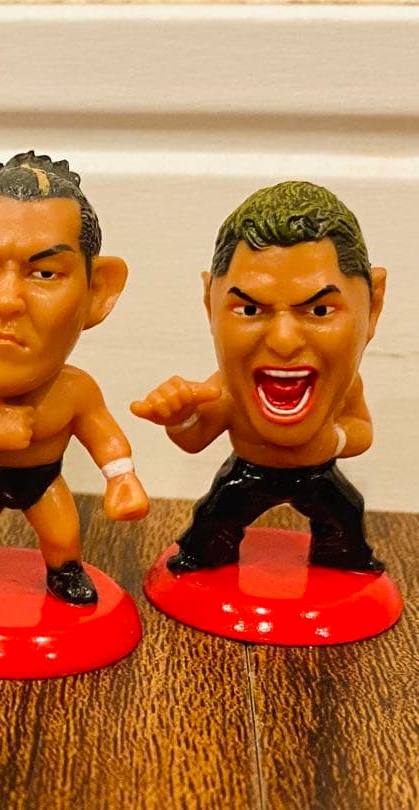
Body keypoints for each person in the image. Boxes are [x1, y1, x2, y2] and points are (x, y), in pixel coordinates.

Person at [0, 152, 148, 605]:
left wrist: (122, 478)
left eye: (44, 273)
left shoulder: (74, 391)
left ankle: (65, 571)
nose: (6, 300)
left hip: (44, 480)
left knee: (62, 534)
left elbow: (105, 437)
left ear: (97, 291)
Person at [132, 180, 387, 573]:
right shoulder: (227, 386)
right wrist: (180, 417)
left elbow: (361, 432)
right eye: (250, 310)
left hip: (317, 474)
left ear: (373, 307)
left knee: (345, 511)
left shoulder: (345, 386)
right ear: (210, 304)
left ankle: (345, 558)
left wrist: (332, 440)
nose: (283, 341)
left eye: (319, 311)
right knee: (215, 514)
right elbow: (196, 439)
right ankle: (200, 556)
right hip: (249, 473)